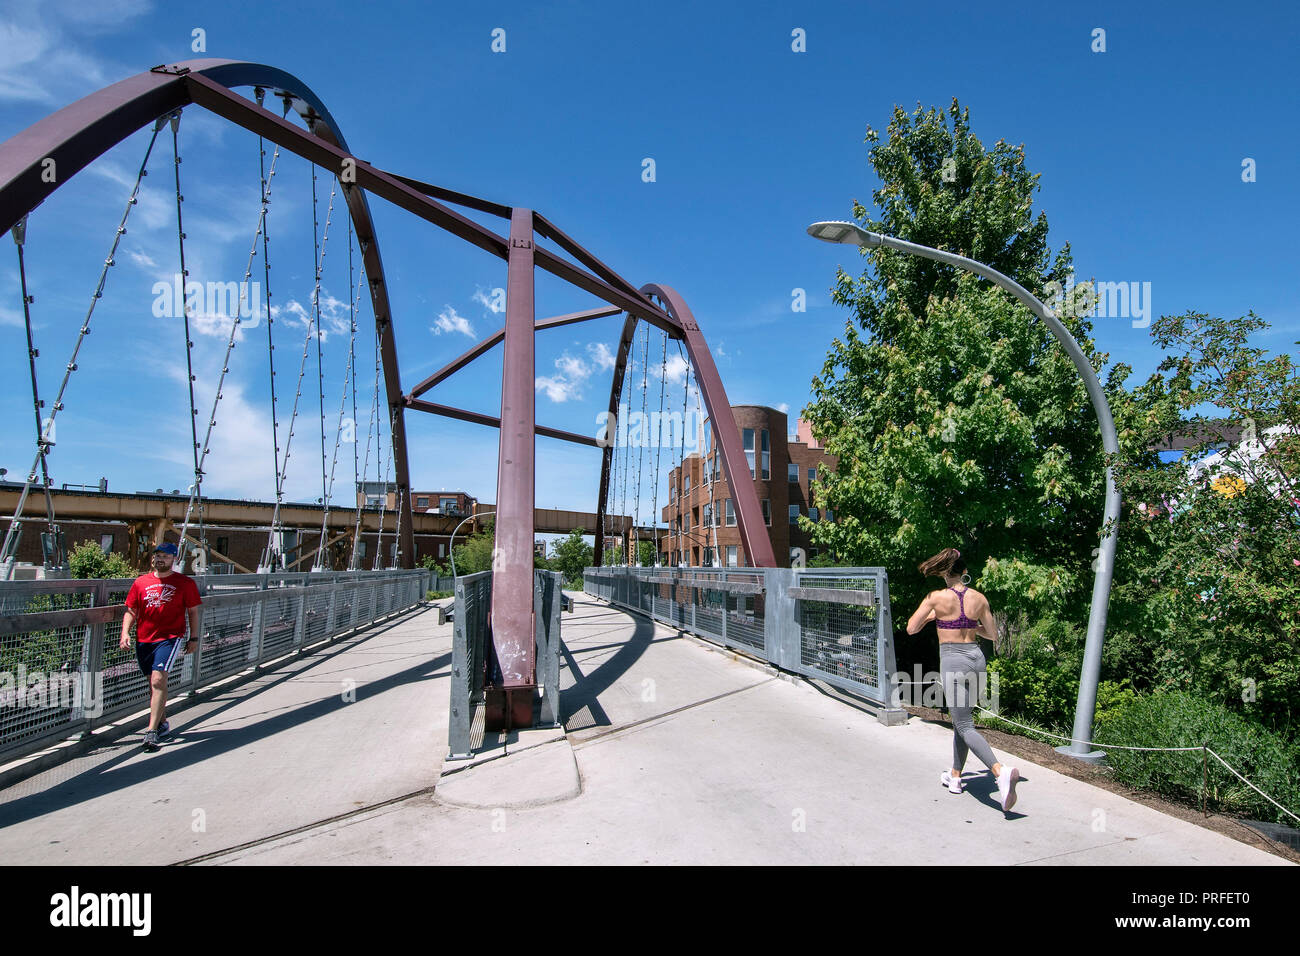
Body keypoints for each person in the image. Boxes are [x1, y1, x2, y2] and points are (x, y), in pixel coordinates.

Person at [905, 547, 1021, 813]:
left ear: (945, 573)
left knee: (965, 724)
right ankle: (956, 776)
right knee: (962, 719)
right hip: (976, 659)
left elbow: (911, 628)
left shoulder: (935, 598)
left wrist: (936, 617)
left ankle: (1000, 771)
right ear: (964, 573)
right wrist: (968, 625)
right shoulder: (979, 598)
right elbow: (992, 634)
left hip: (953, 661)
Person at [119, 541, 202, 752]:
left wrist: (194, 638)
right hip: (144, 639)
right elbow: (131, 610)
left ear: (174, 559)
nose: (160, 559)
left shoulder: (185, 583)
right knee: (153, 684)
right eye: (157, 556)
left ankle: (151, 732)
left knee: (158, 679)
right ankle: (162, 723)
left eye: (165, 556)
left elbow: (192, 612)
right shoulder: (140, 582)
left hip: (170, 638)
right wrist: (124, 633)